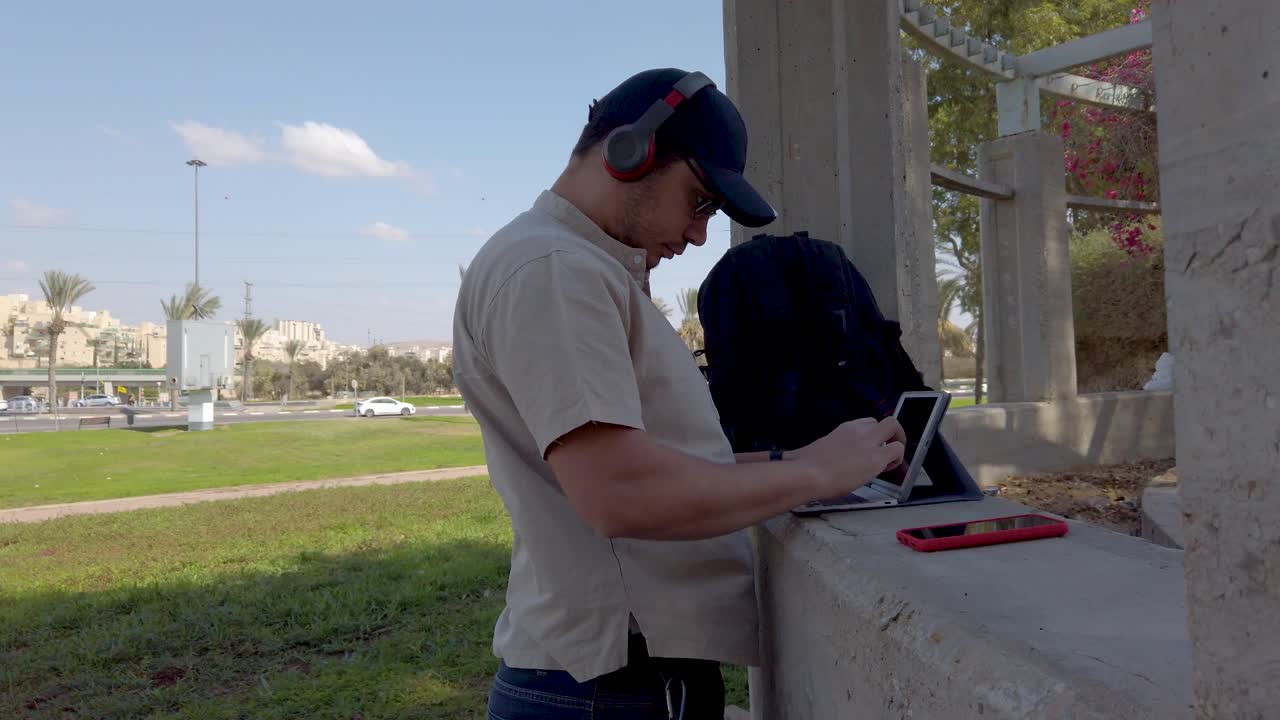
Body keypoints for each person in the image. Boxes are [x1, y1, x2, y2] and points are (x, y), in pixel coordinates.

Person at [453, 68, 906, 719]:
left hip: (616, 688)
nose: (699, 235)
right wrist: (814, 472)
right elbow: (619, 492)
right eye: (700, 201)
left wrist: (806, 461)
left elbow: (655, 463)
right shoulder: (554, 270)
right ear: (631, 151)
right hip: (608, 694)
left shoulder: (578, 268)